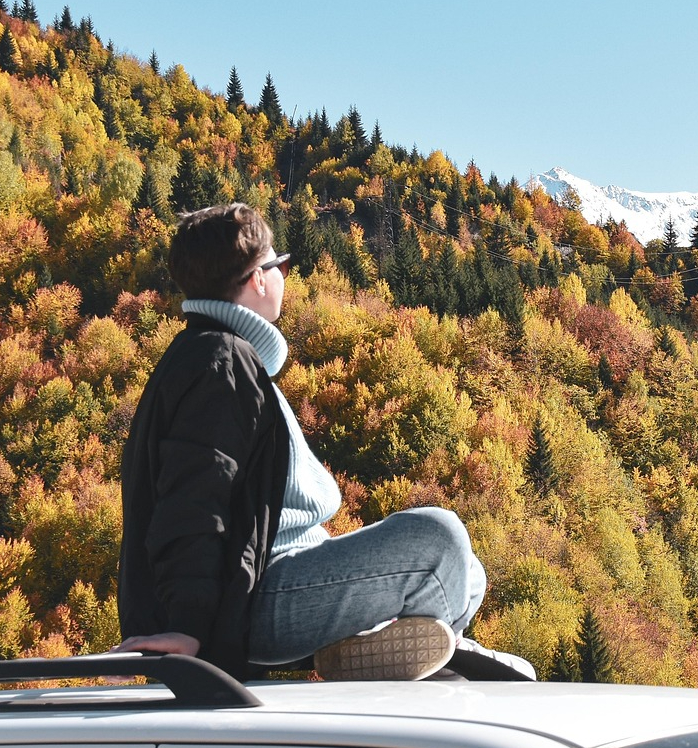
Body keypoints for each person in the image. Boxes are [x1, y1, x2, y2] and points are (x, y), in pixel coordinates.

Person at [116, 202, 534, 682]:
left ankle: (406, 641)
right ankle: (444, 654)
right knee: (440, 537)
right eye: (280, 264)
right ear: (258, 279)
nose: (284, 276)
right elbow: (193, 499)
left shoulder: (219, 358)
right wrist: (188, 625)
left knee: (469, 570)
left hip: (281, 581)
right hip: (259, 598)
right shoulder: (221, 365)